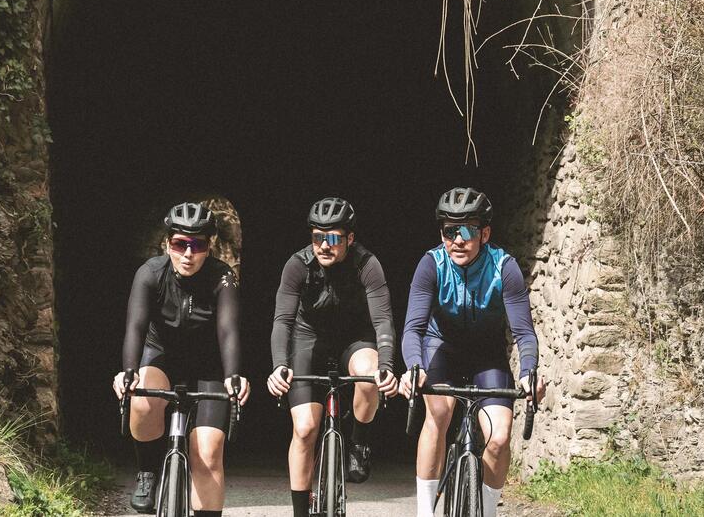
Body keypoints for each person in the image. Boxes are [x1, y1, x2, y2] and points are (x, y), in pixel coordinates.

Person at [398, 188, 542, 517]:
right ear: (442, 234)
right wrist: (415, 367)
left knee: (499, 437)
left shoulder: (504, 267)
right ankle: (425, 512)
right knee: (438, 414)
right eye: (451, 231)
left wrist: (528, 372)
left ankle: (488, 512)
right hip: (441, 349)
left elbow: (523, 332)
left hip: (487, 356)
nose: (458, 240)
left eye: (468, 231)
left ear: (485, 234)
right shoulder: (431, 265)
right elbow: (413, 329)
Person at [113, 203, 250, 516]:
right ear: (167, 244)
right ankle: (147, 471)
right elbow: (135, 327)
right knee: (142, 401)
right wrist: (128, 371)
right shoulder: (150, 273)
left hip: (208, 366)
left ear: (208, 248)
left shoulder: (222, 277)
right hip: (161, 355)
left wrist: (233, 375)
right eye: (179, 244)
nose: (188, 254)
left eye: (197, 245)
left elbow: (228, 330)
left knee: (208, 454)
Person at [267, 197, 400, 517]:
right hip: (308, 339)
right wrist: (279, 365)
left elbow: (383, 320)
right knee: (304, 429)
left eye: (333, 238)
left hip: (355, 339)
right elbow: (282, 321)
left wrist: (386, 366)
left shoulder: (367, 264)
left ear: (350, 238)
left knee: (369, 377)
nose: (324, 245)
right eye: (317, 237)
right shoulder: (298, 265)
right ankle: (301, 511)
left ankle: (358, 442)